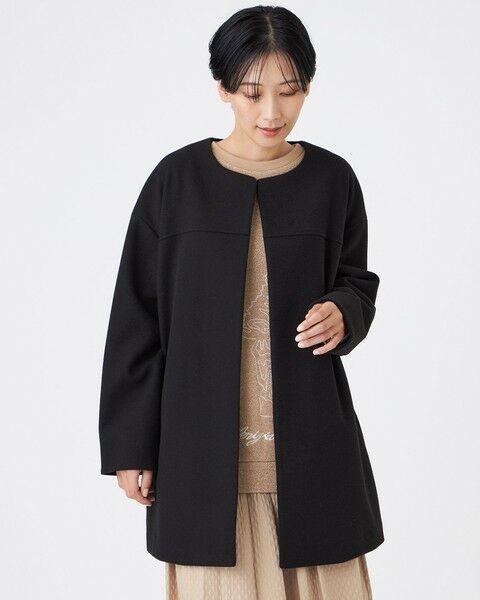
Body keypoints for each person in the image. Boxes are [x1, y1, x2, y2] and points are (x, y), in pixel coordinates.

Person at [99, 5, 383, 599]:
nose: (272, 112)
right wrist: (131, 447)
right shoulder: (176, 182)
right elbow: (136, 317)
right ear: (223, 88)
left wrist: (345, 310)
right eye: (253, 92)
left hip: (313, 454)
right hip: (200, 463)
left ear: (308, 87)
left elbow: (356, 280)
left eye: (290, 90)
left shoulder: (333, 180)